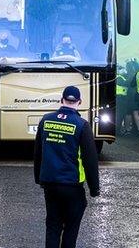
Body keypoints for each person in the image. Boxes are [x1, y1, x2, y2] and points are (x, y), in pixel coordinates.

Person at [34, 86, 100, 248]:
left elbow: (38, 152)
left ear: (61, 100)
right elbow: (90, 160)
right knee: (71, 227)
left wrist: (39, 177)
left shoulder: (46, 120)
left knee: (53, 226)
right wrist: (94, 188)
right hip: (72, 184)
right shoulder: (82, 125)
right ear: (79, 102)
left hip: (49, 182)